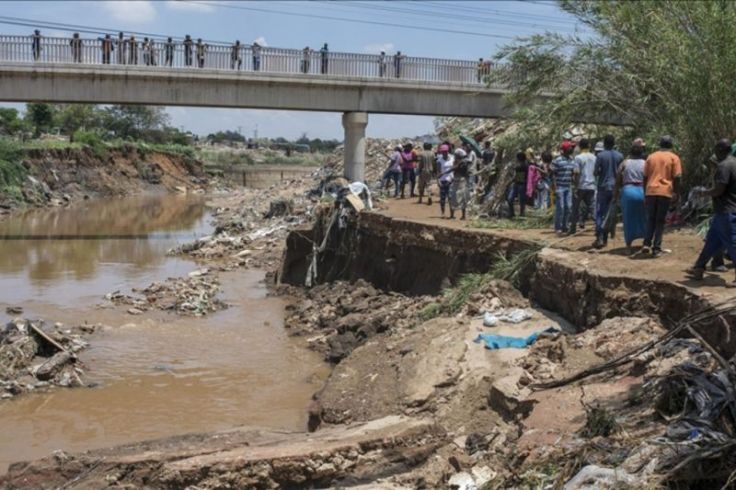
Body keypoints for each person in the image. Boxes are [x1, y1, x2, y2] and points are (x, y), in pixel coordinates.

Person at [688, 139, 736, 286]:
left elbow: (719, 190)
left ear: (721, 150)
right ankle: (699, 267)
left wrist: (703, 193)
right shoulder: (734, 163)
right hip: (726, 210)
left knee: (732, 243)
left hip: (726, 210)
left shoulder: (724, 166)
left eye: (716, 150)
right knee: (712, 241)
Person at [642, 135, 682, 257]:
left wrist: (645, 191)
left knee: (650, 218)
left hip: (650, 191)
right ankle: (656, 248)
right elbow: (677, 177)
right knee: (660, 221)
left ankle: (646, 244)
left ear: (660, 144)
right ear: (671, 145)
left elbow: (645, 176)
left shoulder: (651, 157)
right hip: (665, 192)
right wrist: (676, 192)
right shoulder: (674, 158)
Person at [615, 140, 647, 254]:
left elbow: (618, 180)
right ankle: (645, 243)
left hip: (628, 192)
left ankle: (628, 245)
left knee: (628, 219)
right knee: (644, 217)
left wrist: (615, 196)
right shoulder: (645, 163)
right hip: (642, 191)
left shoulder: (624, 163)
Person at [593, 134, 624, 248]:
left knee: (600, 212)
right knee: (611, 213)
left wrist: (601, 171)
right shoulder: (620, 156)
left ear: (605, 143)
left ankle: (599, 237)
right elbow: (622, 173)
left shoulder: (600, 156)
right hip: (615, 187)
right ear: (614, 143)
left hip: (603, 186)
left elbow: (595, 172)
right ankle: (606, 237)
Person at [570, 138, 596, 234]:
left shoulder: (578, 158)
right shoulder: (594, 157)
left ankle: (572, 228)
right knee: (592, 207)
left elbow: (576, 173)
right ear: (589, 146)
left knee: (575, 207)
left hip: (581, 186)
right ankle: (599, 227)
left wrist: (575, 187)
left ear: (580, 146)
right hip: (591, 186)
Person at [552, 141, 578, 236]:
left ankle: (565, 226)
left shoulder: (572, 160)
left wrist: (575, 186)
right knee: (561, 208)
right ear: (566, 149)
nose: (572, 149)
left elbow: (573, 174)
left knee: (568, 207)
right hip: (560, 187)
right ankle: (558, 228)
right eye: (570, 148)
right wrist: (555, 188)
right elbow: (553, 174)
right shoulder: (557, 160)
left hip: (568, 187)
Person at [450, 148, 470, 220]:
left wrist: (443, 173)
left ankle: (460, 215)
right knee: (456, 199)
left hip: (460, 182)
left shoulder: (462, 163)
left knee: (460, 199)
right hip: (458, 181)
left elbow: (455, 169)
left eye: (456, 155)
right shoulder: (457, 162)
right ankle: (455, 215)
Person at [507, 151, 529, 218]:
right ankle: (517, 213)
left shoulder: (522, 166)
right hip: (518, 184)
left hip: (520, 184)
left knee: (512, 199)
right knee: (520, 200)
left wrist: (510, 182)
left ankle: (516, 213)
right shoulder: (524, 165)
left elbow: (517, 176)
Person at [437, 145, 454, 218]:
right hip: (443, 181)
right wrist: (438, 181)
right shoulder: (439, 161)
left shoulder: (452, 159)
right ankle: (443, 212)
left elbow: (454, 169)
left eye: (445, 152)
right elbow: (438, 172)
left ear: (448, 151)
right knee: (442, 198)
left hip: (451, 180)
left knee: (451, 198)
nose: (444, 153)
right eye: (443, 152)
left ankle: (452, 214)